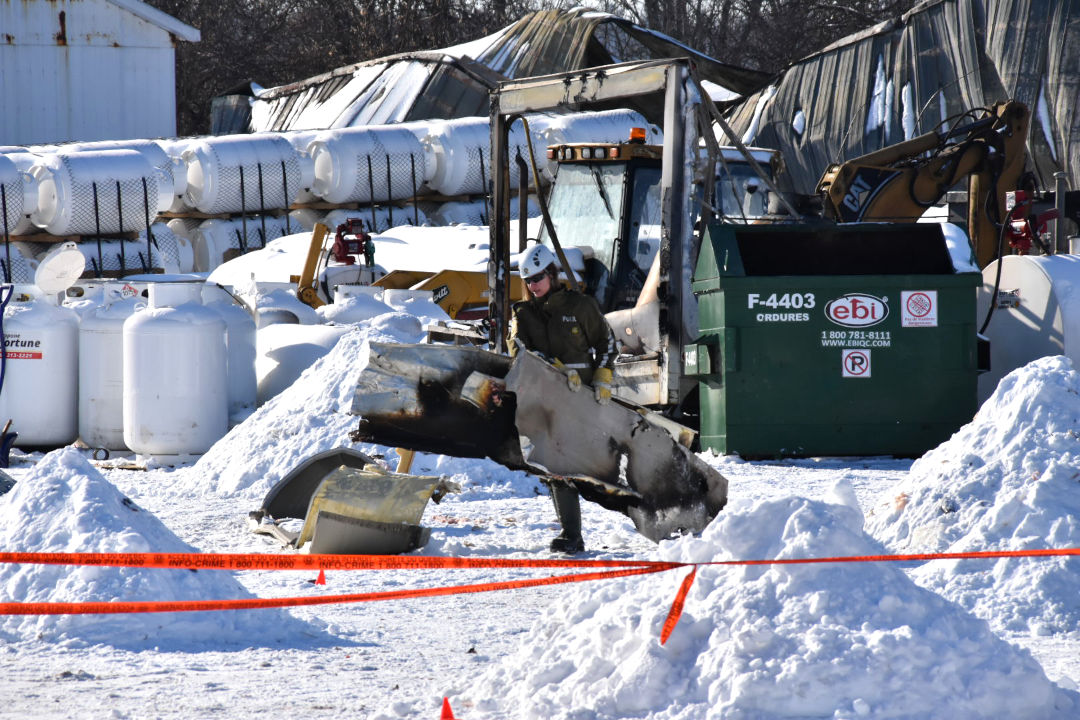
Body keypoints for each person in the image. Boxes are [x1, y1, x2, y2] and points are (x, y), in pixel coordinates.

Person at [508, 244, 617, 554]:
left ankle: (573, 533)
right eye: (528, 280)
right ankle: (571, 534)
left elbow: (607, 343)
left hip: (581, 402)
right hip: (545, 401)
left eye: (538, 278)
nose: (533, 286)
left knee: (566, 465)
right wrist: (551, 366)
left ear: (552, 273)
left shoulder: (580, 306)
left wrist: (603, 375)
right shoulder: (523, 314)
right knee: (555, 465)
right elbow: (518, 351)